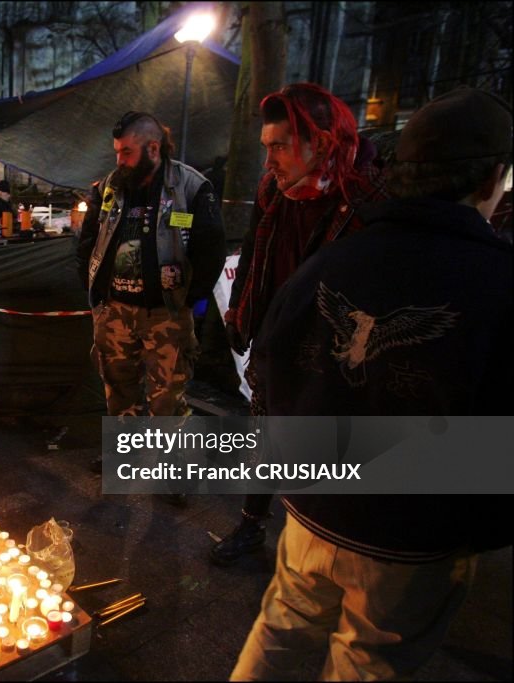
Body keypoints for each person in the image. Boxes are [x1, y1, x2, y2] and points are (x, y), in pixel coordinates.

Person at [230, 86, 513, 681]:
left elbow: (280, 369)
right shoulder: (496, 285)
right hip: (408, 536)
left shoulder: (336, 255)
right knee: (367, 658)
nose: (272, 159)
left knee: (282, 627)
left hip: (315, 511)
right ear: (492, 180)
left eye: (284, 144)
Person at [212, 83, 387, 565]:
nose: (269, 161)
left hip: (333, 349)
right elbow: (254, 251)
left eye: (280, 147)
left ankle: (327, 539)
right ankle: (252, 525)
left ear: (324, 143)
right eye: (266, 147)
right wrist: (238, 310)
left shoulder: (369, 197)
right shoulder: (275, 188)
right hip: (278, 332)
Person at [76, 111, 225, 420]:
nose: (119, 160)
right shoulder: (109, 187)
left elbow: (211, 249)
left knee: (167, 402)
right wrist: (95, 289)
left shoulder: (192, 188)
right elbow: (88, 238)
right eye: (117, 151)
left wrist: (187, 299)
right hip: (114, 312)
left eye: (127, 152)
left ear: (153, 149)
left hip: (166, 314)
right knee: (119, 396)